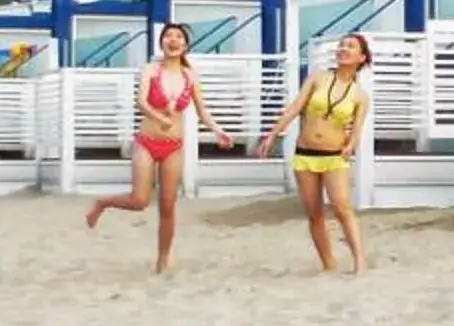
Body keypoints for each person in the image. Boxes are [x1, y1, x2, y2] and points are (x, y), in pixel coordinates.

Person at [85, 21, 231, 273]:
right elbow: (141, 102)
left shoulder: (190, 75)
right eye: (168, 36)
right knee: (140, 200)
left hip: (173, 145)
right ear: (161, 42)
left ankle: (163, 259)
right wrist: (160, 118)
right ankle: (103, 203)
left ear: (185, 45)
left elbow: (203, 111)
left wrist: (218, 131)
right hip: (147, 142)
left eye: (178, 37)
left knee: (167, 205)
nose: (172, 40)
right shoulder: (152, 70)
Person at [259, 33, 373, 275]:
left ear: (361, 57)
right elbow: (294, 108)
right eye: (342, 45)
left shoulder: (360, 95)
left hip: (334, 156)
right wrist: (272, 134)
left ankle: (359, 262)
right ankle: (328, 263)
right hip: (305, 153)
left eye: (350, 46)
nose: (343, 49)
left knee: (342, 208)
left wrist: (351, 145)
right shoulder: (318, 78)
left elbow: (357, 131)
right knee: (314, 213)